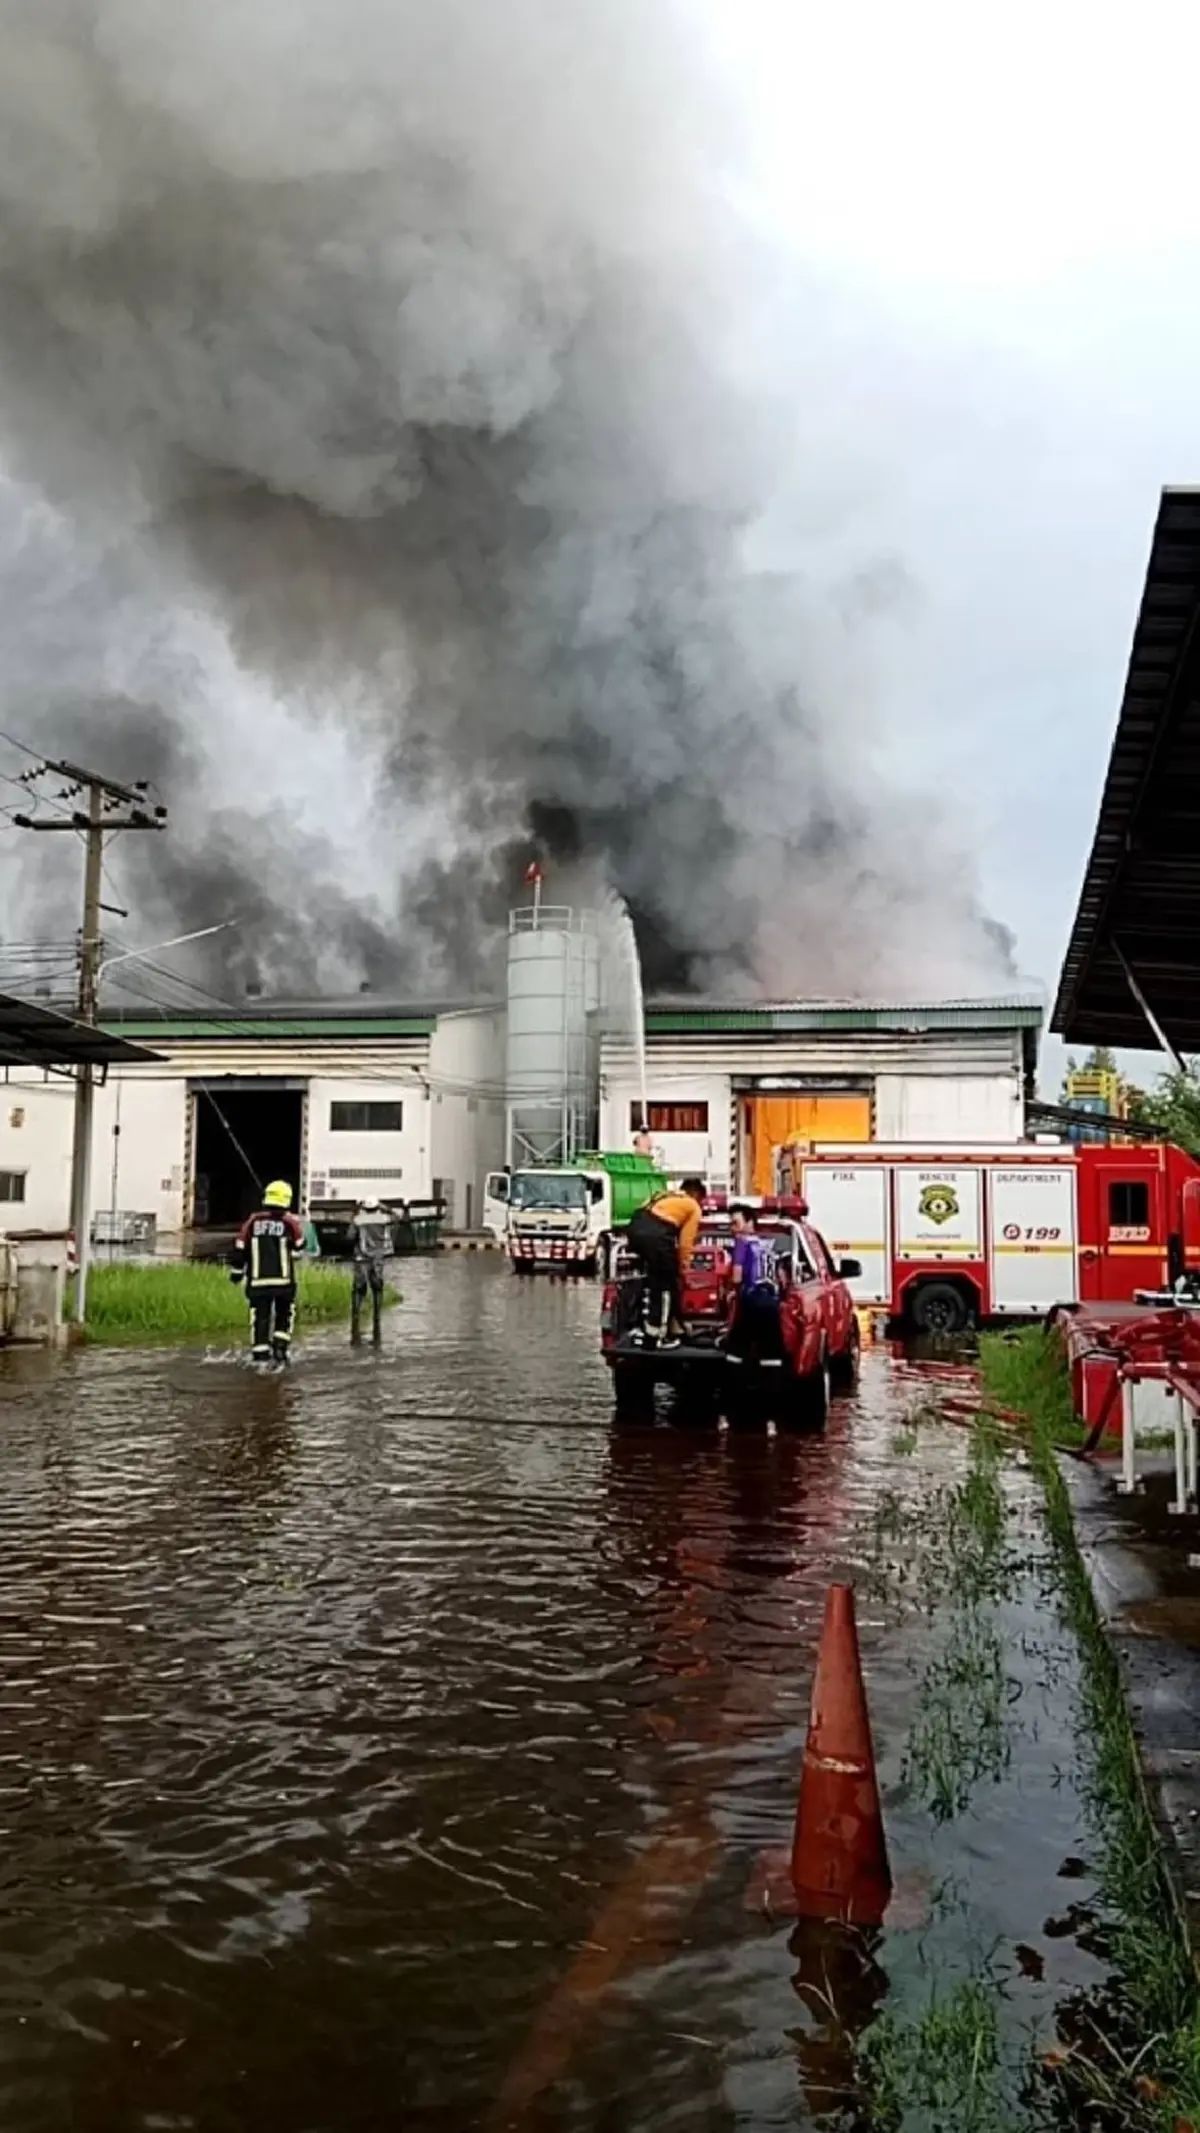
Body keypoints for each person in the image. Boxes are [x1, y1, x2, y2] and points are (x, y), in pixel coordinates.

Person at [230, 1179, 308, 1365]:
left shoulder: (252, 1221)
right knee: (284, 1315)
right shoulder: (290, 1223)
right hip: (284, 1283)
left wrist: (237, 1273)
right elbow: (300, 1245)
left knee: (260, 1319)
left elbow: (239, 1248)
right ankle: (280, 1351)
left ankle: (260, 1357)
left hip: (258, 1283)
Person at [625, 1178, 706, 1345]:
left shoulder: (663, 1195)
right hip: (657, 1235)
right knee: (666, 1285)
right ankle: (657, 1335)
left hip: (635, 1227)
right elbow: (685, 1243)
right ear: (697, 1194)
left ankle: (671, 1326)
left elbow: (642, 1212)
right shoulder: (692, 1206)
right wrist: (684, 1266)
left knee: (654, 1278)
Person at [726, 1205, 782, 1364]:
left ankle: (734, 1384)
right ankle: (772, 1385)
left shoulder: (742, 1243)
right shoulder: (766, 1244)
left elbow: (737, 1277)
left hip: (751, 1300)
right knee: (771, 1352)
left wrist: (731, 1292)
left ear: (749, 1222)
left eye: (735, 1223)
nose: (732, 1228)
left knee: (736, 1350)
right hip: (772, 1302)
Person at [349, 1195, 393, 1345]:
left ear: (364, 1207)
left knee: (359, 1290)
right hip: (378, 1258)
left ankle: (355, 1319)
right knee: (377, 1289)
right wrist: (384, 1207)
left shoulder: (358, 1220)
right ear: (376, 1206)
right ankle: (377, 1318)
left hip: (362, 1258)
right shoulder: (384, 1218)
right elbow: (398, 1218)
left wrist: (355, 1214)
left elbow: (349, 1237)